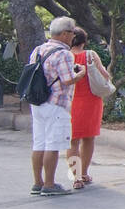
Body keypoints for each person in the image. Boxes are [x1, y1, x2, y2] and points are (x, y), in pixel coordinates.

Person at [29, 16, 86, 196]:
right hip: (57, 103)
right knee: (52, 145)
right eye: (71, 32)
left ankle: (38, 182)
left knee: (39, 143)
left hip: (38, 102)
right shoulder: (63, 53)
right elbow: (67, 79)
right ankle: (49, 184)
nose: (72, 36)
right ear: (64, 34)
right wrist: (81, 73)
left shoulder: (38, 50)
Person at [66, 26, 110, 190]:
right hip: (92, 101)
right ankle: (84, 173)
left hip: (71, 102)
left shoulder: (66, 56)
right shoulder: (91, 55)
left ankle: (76, 177)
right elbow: (104, 75)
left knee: (72, 142)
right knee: (89, 138)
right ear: (84, 41)